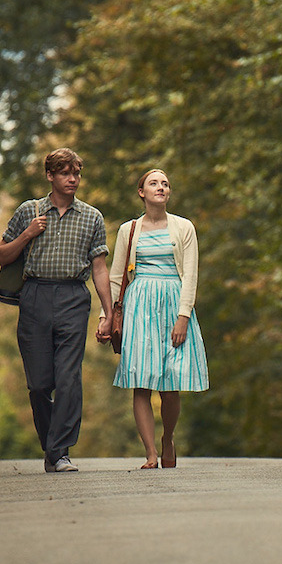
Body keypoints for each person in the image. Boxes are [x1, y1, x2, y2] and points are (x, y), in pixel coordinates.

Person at [0, 148, 112, 473]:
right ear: (50, 176)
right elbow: (2, 255)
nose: (72, 179)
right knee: (38, 383)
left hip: (74, 297)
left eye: (76, 173)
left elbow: (100, 267)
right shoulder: (28, 211)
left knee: (69, 375)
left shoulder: (92, 217)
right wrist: (28, 233)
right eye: (65, 173)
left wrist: (109, 312)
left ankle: (60, 451)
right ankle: (51, 445)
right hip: (35, 297)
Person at [101, 169, 208, 469]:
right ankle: (150, 453)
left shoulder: (184, 227)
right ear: (141, 192)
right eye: (154, 183)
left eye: (165, 184)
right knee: (141, 382)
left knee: (170, 384)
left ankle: (167, 437)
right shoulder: (129, 230)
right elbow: (116, 277)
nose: (160, 187)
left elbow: (191, 275)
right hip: (139, 307)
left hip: (173, 304)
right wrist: (105, 317)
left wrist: (183, 316)